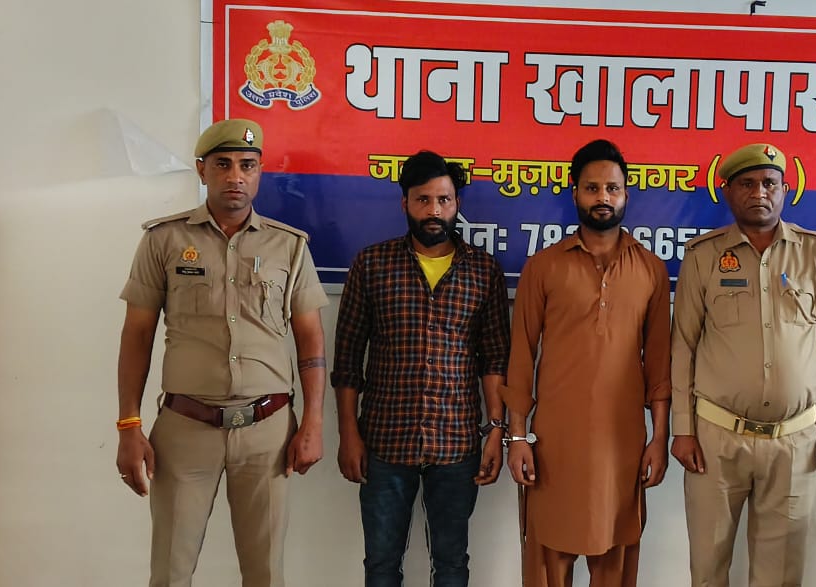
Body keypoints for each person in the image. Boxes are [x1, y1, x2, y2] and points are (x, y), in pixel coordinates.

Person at [115, 119, 331, 586]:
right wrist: (128, 425)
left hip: (268, 431)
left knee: (265, 573)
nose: (236, 176)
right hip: (185, 428)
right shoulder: (164, 240)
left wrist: (313, 423)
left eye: (247, 166)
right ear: (202, 170)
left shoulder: (288, 246)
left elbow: (311, 340)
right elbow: (136, 335)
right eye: (223, 164)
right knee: (170, 572)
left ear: (260, 172)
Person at [670, 142, 816, 587]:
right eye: (747, 184)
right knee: (708, 570)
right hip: (715, 438)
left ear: (785, 190)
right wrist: (683, 428)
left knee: (781, 576)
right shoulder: (703, 256)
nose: (760, 193)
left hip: (794, 441)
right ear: (728, 192)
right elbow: (682, 347)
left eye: (770, 183)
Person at [331, 150, 511, 587]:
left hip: (456, 444)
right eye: (423, 199)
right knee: (381, 564)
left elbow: (494, 360)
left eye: (444, 200)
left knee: (451, 564)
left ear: (457, 204)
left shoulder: (483, 270)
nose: (434, 210)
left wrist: (496, 431)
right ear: (405, 203)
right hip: (384, 442)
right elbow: (348, 360)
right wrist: (348, 433)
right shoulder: (372, 265)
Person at [502, 139, 671, 587]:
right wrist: (516, 437)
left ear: (626, 194)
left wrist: (660, 438)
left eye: (612, 188)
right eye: (592, 188)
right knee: (548, 561)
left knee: (615, 559)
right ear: (575, 192)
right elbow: (521, 356)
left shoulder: (651, 270)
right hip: (553, 445)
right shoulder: (543, 267)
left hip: (622, 446)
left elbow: (659, 365)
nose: (603, 198)